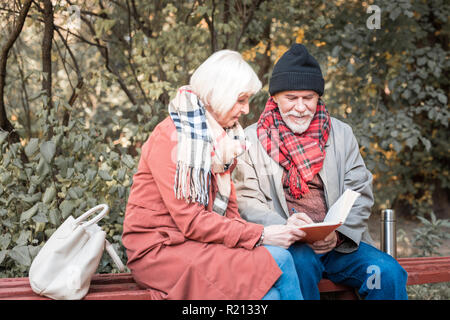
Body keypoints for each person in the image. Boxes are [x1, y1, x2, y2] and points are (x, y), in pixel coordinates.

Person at [122, 49, 306, 300]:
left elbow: (230, 214)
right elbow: (192, 221)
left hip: (197, 243)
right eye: (241, 100)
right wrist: (261, 235)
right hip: (160, 250)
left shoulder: (223, 142)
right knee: (280, 261)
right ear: (220, 94)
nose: (246, 109)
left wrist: (268, 233)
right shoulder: (174, 137)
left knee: (271, 290)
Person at [232, 43, 408, 300]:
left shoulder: (341, 133)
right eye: (291, 98)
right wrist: (285, 228)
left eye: (308, 98)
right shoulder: (250, 140)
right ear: (275, 98)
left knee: (387, 273)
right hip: (289, 244)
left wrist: (338, 235)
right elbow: (246, 201)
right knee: (299, 266)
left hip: (340, 245)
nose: (301, 107)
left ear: (318, 97)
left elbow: (359, 190)